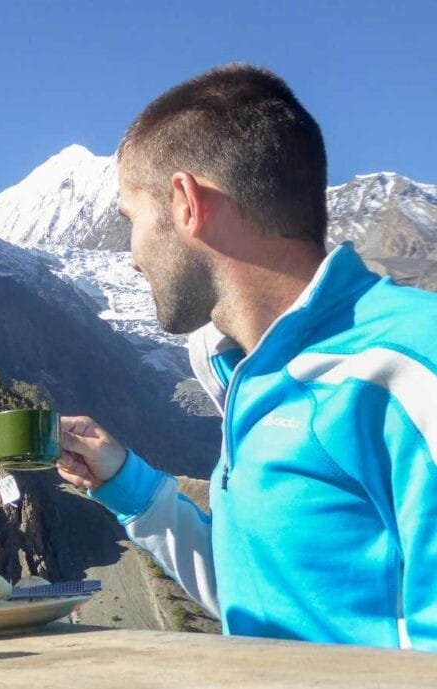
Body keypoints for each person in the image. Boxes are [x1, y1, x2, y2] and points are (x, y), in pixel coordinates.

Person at [54, 64, 437, 650]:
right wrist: (124, 482)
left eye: (131, 220)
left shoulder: (407, 368)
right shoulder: (250, 374)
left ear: (186, 203)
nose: (131, 257)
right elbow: (267, 591)